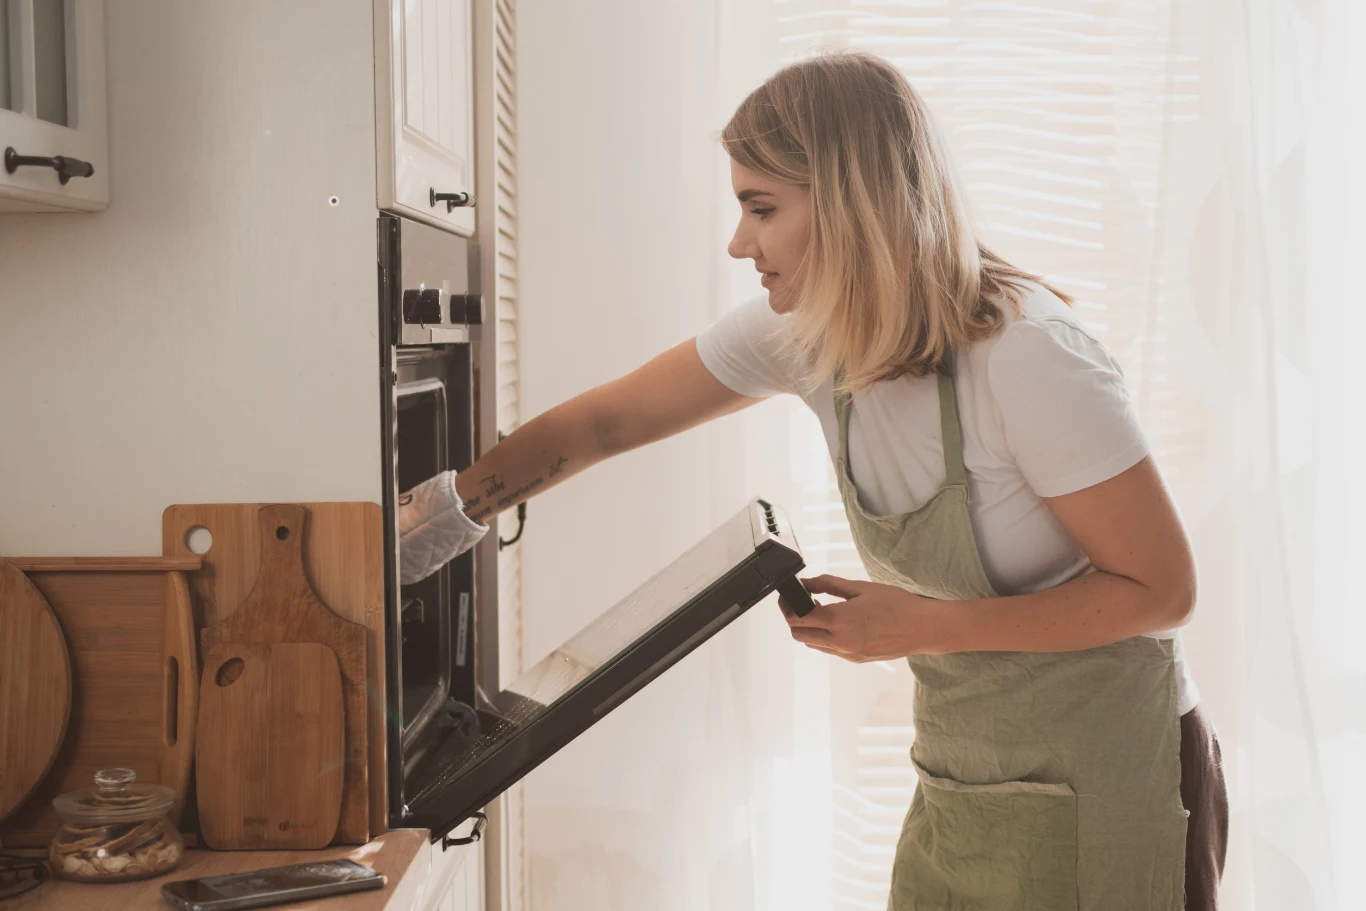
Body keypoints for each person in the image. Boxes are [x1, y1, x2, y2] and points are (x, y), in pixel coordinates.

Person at [397, 51, 1228, 911]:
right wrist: (428, 525)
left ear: (854, 202)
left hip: (1112, 777)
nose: (739, 242)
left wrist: (926, 625)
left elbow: (1163, 590)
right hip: (971, 782)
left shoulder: (1029, 356)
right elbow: (605, 423)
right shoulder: (805, 336)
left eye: (762, 208)